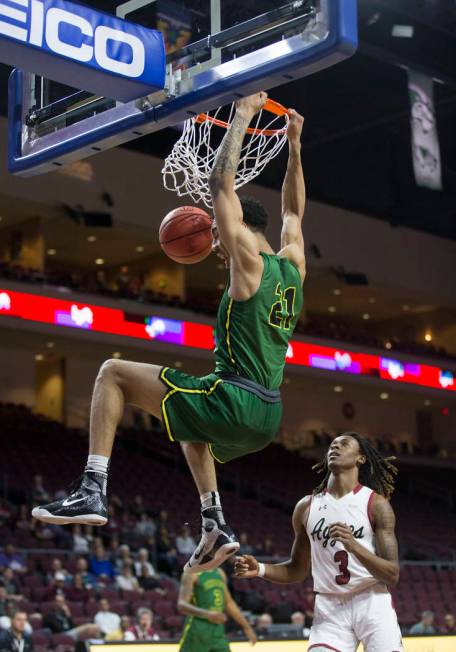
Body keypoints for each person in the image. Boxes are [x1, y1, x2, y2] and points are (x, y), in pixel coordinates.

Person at [32, 91, 306, 576]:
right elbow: (293, 215)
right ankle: (214, 522)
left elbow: (223, 184)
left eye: (220, 235)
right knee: (185, 420)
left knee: (112, 373)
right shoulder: (293, 265)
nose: (216, 245)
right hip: (267, 414)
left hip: (235, 398)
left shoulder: (248, 261)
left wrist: (241, 115)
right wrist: (295, 148)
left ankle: (92, 487)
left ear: (239, 227)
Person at [235, 432, 404, 652]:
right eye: (332, 445)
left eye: (344, 444)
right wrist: (260, 569)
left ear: (360, 458)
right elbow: (297, 569)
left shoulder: (376, 504)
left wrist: (354, 547)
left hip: (372, 601)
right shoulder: (306, 507)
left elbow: (392, 574)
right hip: (329, 606)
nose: (335, 447)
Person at [177, 568, 256, 651]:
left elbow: (229, 603)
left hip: (217, 629)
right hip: (197, 630)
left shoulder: (219, 572)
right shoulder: (191, 573)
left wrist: (247, 627)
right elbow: (181, 605)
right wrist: (207, 614)